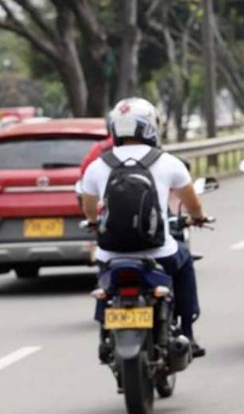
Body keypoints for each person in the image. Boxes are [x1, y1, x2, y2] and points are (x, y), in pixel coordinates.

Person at [81, 97, 208, 358]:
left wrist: (94, 223)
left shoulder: (97, 166)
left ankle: (104, 330)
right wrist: (198, 217)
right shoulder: (168, 162)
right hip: (159, 252)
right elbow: (193, 205)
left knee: (105, 280)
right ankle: (187, 332)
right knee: (185, 260)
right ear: (150, 127)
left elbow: (89, 210)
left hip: (111, 254)